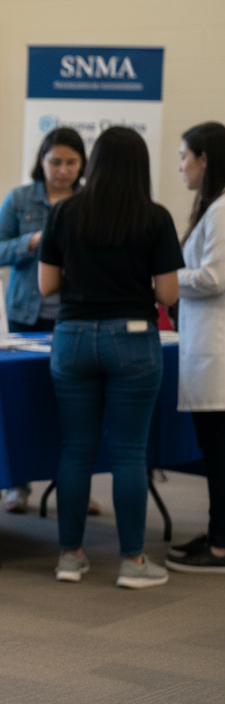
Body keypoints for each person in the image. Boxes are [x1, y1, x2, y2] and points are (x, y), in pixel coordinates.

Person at [38, 126, 184, 587]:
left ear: (93, 163)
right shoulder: (155, 218)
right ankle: (133, 563)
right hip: (134, 339)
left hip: (73, 337)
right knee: (128, 452)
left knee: (76, 449)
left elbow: (47, 286)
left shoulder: (64, 214)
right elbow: (167, 292)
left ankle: (69, 557)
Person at [0, 127, 86, 513]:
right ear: (42, 161)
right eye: (55, 161)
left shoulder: (89, 201)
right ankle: (19, 486)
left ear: (82, 165)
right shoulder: (21, 198)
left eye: (71, 162)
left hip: (74, 318)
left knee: (73, 408)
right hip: (24, 316)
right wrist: (32, 241)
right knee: (23, 403)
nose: (62, 170)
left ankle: (73, 488)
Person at [166, 122, 225, 572]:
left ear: (205, 159)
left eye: (185, 156)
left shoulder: (222, 210)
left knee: (219, 454)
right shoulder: (214, 209)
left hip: (215, 352)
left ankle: (221, 544)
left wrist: (165, 281)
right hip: (207, 347)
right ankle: (218, 530)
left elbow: (213, 278)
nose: (181, 165)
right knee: (215, 452)